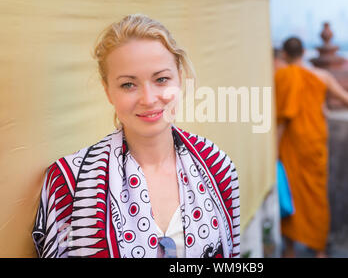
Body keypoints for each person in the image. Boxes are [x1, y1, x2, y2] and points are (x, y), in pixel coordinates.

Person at [32, 14, 240, 258]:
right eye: (128, 85)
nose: (149, 99)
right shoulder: (69, 183)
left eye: (161, 79)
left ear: (179, 79)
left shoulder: (218, 166)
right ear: (107, 90)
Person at [275, 37, 348, 258]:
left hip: (290, 144)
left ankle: (290, 249)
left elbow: (281, 118)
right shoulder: (321, 76)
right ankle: (319, 249)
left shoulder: (281, 76)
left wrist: (274, 149)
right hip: (314, 144)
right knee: (316, 196)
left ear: (284, 54)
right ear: (304, 52)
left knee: (291, 195)